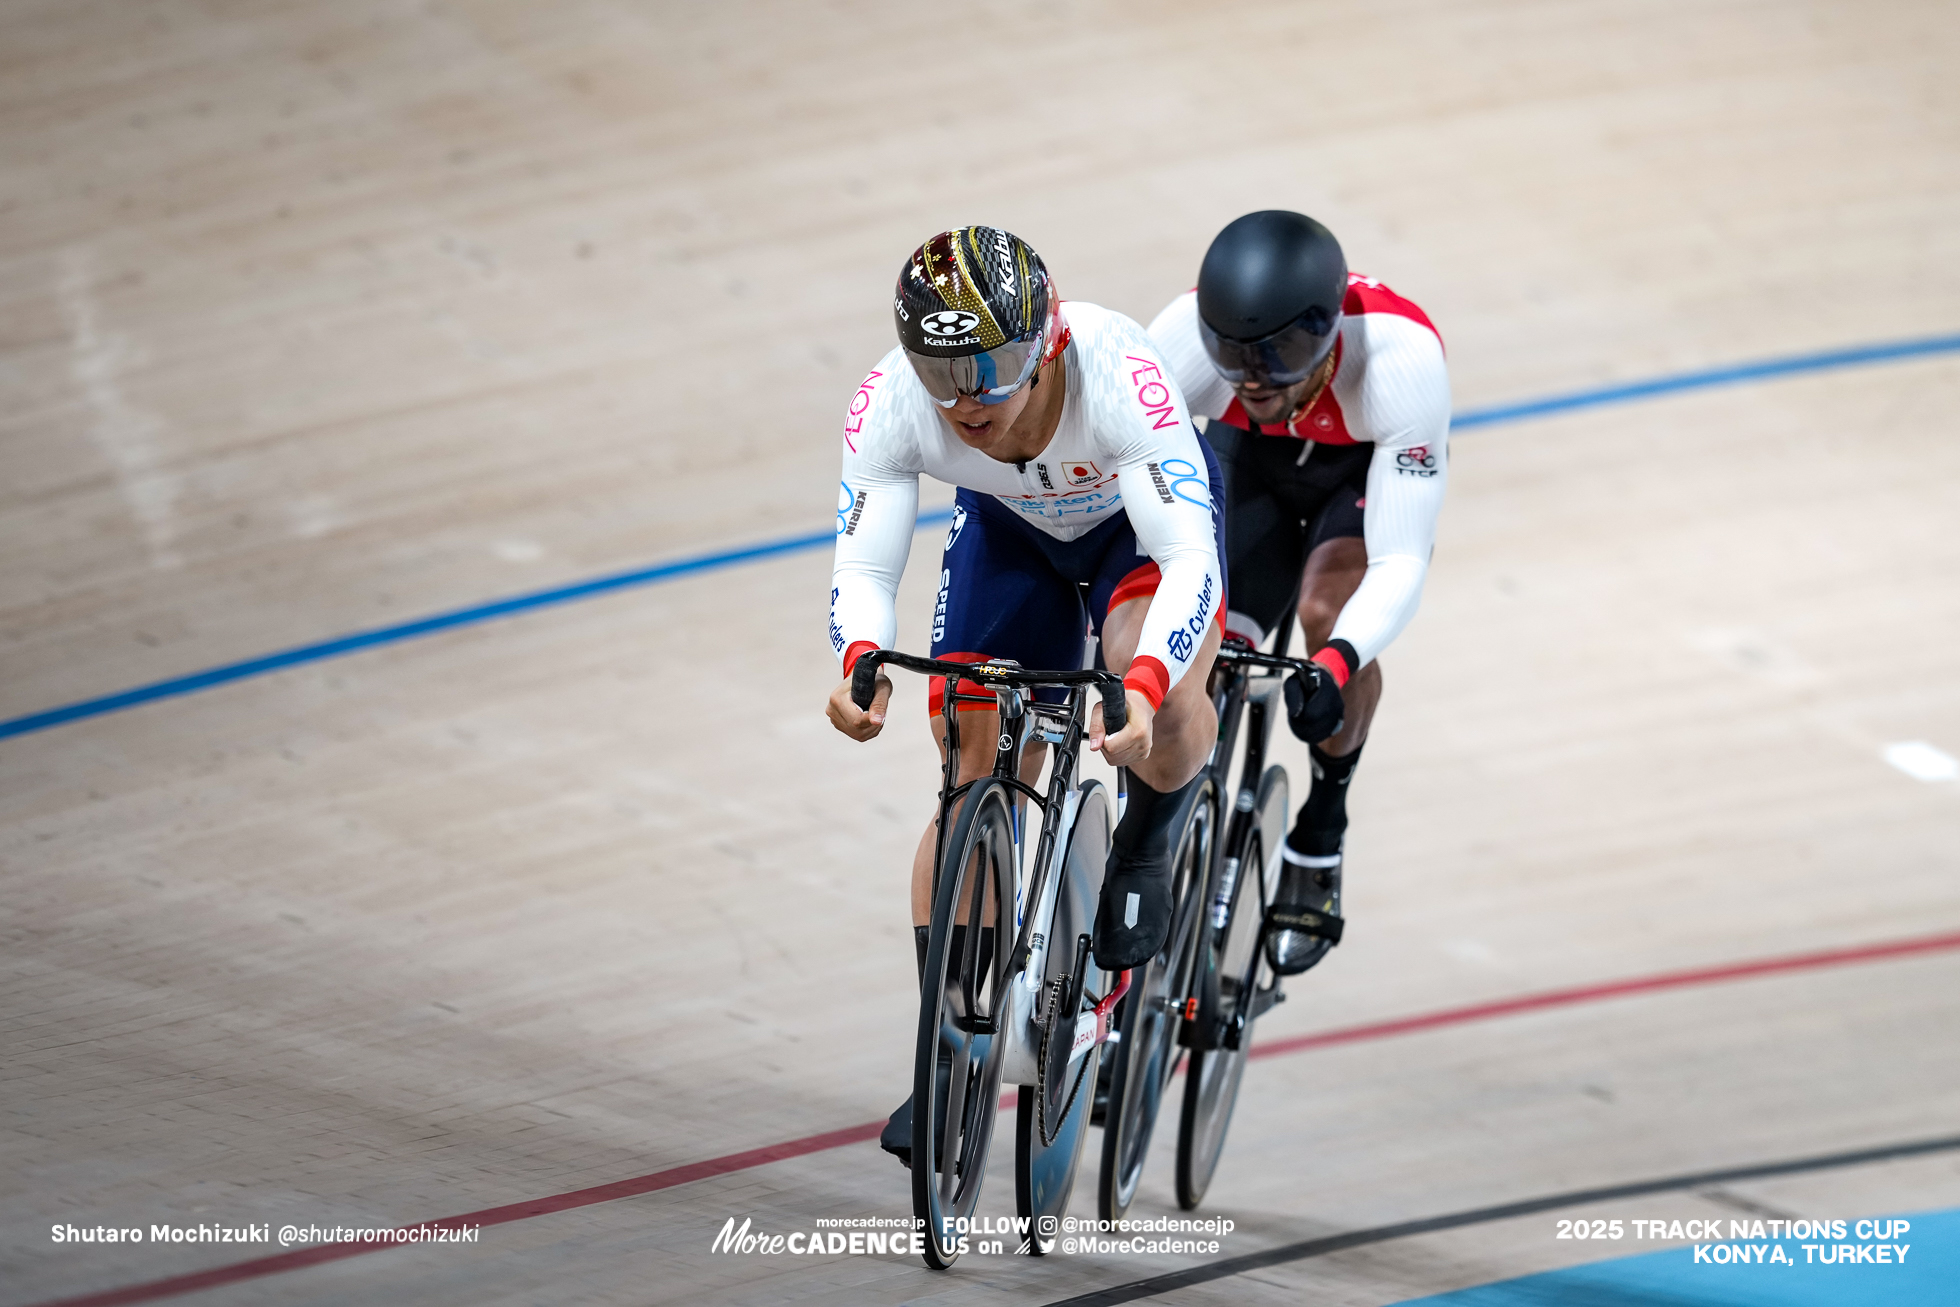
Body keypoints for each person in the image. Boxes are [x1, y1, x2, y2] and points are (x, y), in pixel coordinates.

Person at [826, 225, 1226, 1166]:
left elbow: (1187, 558)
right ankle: (951, 1056)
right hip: (1014, 536)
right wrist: (858, 657)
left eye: (993, 368)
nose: (967, 401)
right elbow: (865, 557)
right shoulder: (893, 402)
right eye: (941, 370)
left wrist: (1148, 679)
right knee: (967, 747)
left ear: (1045, 343)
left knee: (1153, 695)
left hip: (1138, 533)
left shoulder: (1120, 373)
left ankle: (1147, 840)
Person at [1148, 210, 1448, 975]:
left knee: (1326, 612)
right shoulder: (1179, 342)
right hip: (1248, 466)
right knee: (1212, 637)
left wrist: (1340, 660)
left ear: (1326, 340)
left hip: (1354, 477)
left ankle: (1323, 820)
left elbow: (1402, 559)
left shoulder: (1402, 360)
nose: (1253, 381)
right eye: (1235, 362)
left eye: (1278, 363)